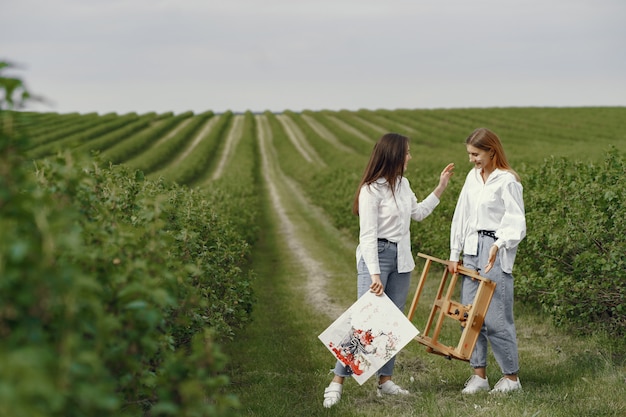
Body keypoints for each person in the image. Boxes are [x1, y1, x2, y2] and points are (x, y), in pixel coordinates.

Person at [322, 133, 455, 408]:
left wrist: (440, 187)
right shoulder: (371, 189)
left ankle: (385, 381)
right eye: (407, 152)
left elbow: (417, 213)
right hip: (378, 257)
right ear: (394, 155)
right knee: (366, 322)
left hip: (402, 259)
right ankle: (336, 381)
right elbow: (367, 236)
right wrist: (374, 275)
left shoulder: (404, 184)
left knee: (393, 322)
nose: (410, 157)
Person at [448, 127, 526, 394]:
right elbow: (462, 215)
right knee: (470, 315)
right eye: (470, 154)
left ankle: (511, 378)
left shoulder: (508, 181)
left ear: (492, 151)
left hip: (494, 249)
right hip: (471, 248)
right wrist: (453, 253)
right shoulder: (472, 178)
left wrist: (498, 244)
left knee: (495, 317)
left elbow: (517, 223)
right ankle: (479, 376)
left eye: (476, 154)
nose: (472, 159)